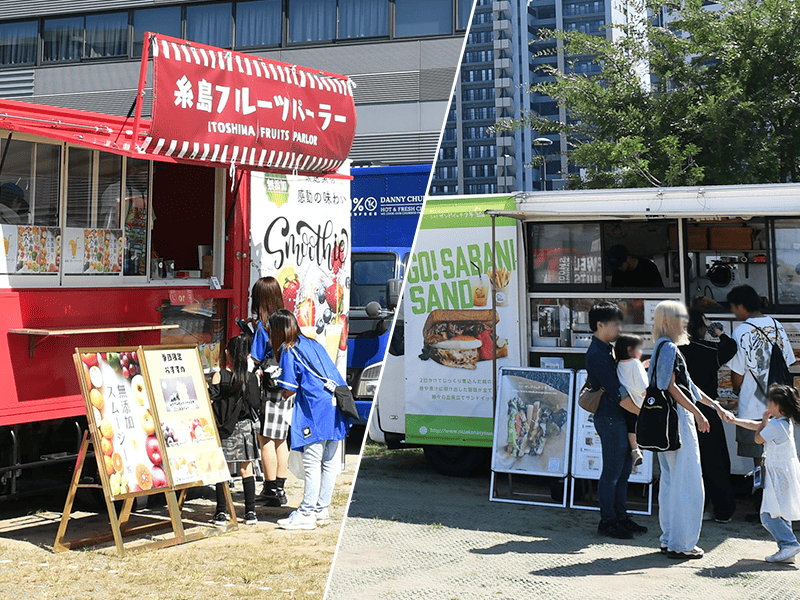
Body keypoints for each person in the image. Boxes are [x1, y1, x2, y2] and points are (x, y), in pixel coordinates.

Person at [649, 301, 734, 559]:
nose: (685, 324)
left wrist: (714, 405)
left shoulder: (662, 347)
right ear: (669, 321)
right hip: (679, 423)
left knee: (672, 482)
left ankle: (670, 538)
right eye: (680, 319)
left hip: (667, 426)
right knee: (688, 484)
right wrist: (699, 412)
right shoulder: (670, 348)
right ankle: (683, 543)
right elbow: (670, 386)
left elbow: (689, 387)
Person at [270, 309, 350, 530]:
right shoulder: (312, 343)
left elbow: (288, 389)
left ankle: (306, 513)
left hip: (315, 409)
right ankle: (321, 509)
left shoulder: (289, 349)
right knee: (328, 462)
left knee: (312, 462)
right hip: (336, 406)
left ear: (277, 331)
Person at [726, 284, 795, 518]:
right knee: (780, 455)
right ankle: (782, 504)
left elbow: (737, 374)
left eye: (734, 307)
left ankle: (762, 506)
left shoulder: (741, 331)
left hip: (754, 404)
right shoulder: (776, 325)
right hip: (779, 403)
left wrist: (737, 392)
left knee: (759, 458)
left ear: (742, 306)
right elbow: (788, 361)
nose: (734, 312)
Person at [585, 301, 647, 540]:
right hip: (610, 417)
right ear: (600, 325)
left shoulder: (606, 350)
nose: (619, 329)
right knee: (612, 472)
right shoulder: (597, 354)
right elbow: (617, 393)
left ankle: (620, 516)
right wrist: (645, 414)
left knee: (622, 471)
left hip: (617, 417)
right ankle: (608, 521)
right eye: (615, 324)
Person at [722, 385, 800, 563]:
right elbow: (757, 426)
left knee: (768, 514)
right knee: (780, 512)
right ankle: (787, 549)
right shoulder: (781, 422)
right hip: (783, 473)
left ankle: (789, 544)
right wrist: (734, 421)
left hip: (779, 475)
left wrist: (764, 419)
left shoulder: (775, 425)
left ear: (778, 405)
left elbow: (758, 437)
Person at [680, 309, 738, 523]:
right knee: (716, 461)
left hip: (682, 410)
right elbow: (731, 347)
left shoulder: (674, 350)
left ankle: (697, 508)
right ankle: (723, 510)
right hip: (708, 410)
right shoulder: (708, 349)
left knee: (690, 463)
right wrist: (720, 333)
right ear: (701, 328)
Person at [208, 333, 262, 527]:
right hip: (245, 427)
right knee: (246, 469)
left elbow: (210, 401)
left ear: (227, 354)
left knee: (222, 471)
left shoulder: (219, 376)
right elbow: (256, 404)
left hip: (224, 428)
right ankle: (250, 512)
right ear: (248, 356)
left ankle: (221, 512)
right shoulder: (250, 378)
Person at [249, 276, 291, 507]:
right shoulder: (286, 320)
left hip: (270, 389)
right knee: (281, 438)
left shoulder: (263, 326)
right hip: (287, 385)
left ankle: (270, 489)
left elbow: (254, 357)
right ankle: (280, 489)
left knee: (265, 438)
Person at [615, 334, 648, 468]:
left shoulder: (618, 364)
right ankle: (641, 446)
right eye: (639, 349)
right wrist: (647, 393)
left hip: (627, 402)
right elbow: (642, 384)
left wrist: (642, 366)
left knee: (630, 425)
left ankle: (635, 450)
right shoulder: (635, 363)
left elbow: (628, 377)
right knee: (637, 425)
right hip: (640, 401)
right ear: (630, 350)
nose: (641, 352)